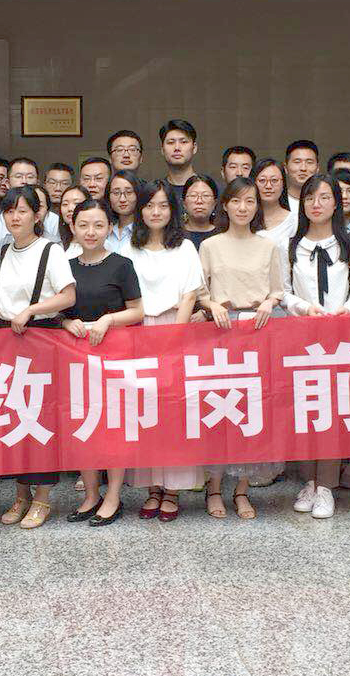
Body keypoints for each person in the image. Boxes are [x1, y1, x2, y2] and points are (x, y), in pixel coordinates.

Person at [0, 186, 76, 530]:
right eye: (9, 211)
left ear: (37, 215)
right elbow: (5, 299)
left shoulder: (51, 250)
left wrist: (31, 309)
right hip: (8, 341)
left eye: (22, 211)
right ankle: (20, 494)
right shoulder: (5, 250)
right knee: (15, 418)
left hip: (40, 340)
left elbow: (68, 296)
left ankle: (43, 498)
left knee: (40, 418)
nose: (15, 217)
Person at [198, 177, 287, 520]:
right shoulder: (210, 245)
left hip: (258, 333)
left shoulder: (268, 246)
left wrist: (269, 302)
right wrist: (212, 305)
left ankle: (242, 490)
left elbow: (278, 289)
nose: (243, 207)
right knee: (221, 410)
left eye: (250, 201)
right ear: (225, 205)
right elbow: (199, 290)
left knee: (251, 411)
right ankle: (214, 489)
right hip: (220, 334)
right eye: (236, 201)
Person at [284, 174, 350, 520]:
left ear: (336, 202)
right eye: (309, 198)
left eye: (323, 197)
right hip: (302, 338)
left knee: (332, 413)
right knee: (305, 410)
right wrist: (304, 308)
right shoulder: (291, 245)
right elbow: (284, 290)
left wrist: (346, 309)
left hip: (341, 338)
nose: (316, 204)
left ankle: (327, 487)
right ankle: (309, 481)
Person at [121, 184, 205, 518]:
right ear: (140, 209)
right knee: (145, 412)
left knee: (174, 412)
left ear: (173, 210)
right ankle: (152, 487)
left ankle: (173, 489)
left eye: (163, 206)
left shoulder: (184, 248)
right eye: (149, 206)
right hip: (139, 330)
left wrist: (174, 339)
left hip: (175, 328)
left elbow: (189, 295)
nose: (156, 212)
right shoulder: (129, 248)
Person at [62, 197, 144, 526]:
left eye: (98, 225)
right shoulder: (65, 267)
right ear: (72, 227)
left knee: (113, 426)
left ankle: (113, 496)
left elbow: (137, 311)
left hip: (114, 356)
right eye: (83, 225)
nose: (91, 232)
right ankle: (91, 494)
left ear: (110, 227)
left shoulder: (121, 265)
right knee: (83, 424)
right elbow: (58, 311)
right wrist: (67, 323)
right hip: (76, 358)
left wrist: (108, 319)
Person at [252, 158, 293, 244]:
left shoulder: (294, 221)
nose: (268, 186)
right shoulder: (244, 218)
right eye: (262, 180)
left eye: (274, 180)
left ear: (283, 185)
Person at [104, 169, 140, 251]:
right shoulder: (104, 230)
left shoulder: (147, 230)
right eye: (116, 193)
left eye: (129, 192)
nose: (122, 199)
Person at [182, 174, 220, 248]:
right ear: (184, 203)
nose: (199, 201)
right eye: (193, 195)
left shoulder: (223, 235)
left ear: (215, 202)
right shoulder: (174, 235)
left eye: (205, 196)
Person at [159, 118, 198, 190]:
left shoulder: (210, 190)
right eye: (171, 142)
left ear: (194, 148)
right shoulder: (155, 192)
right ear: (162, 149)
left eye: (183, 142)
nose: (177, 148)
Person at [283, 140, 318, 213]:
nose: (303, 168)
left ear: (317, 168)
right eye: (297, 162)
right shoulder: (277, 201)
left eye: (309, 162)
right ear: (285, 168)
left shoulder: (326, 202)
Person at [56, 185, 89, 257]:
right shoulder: (57, 246)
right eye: (65, 204)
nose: (70, 208)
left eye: (77, 203)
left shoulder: (99, 244)